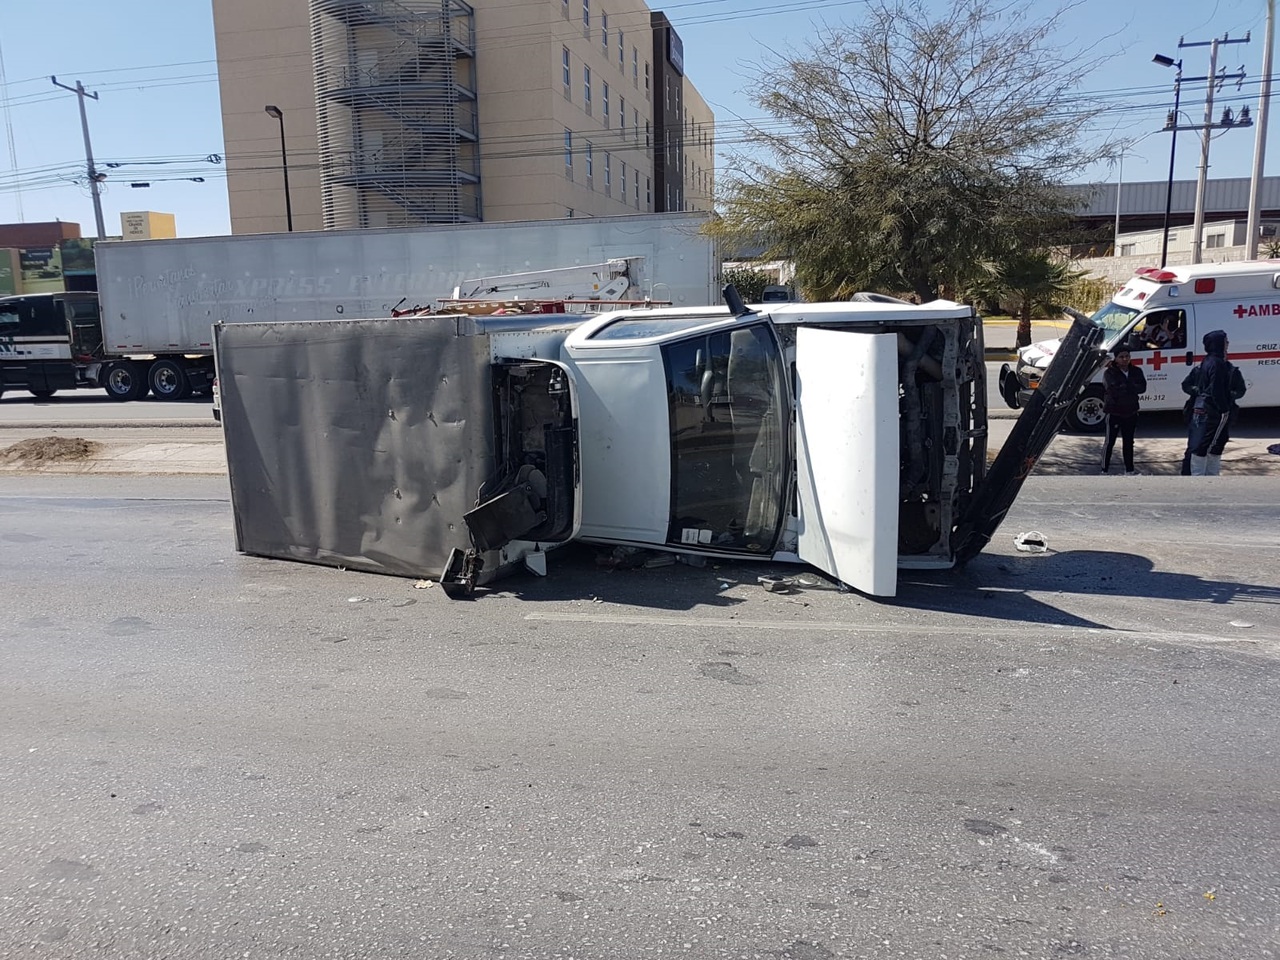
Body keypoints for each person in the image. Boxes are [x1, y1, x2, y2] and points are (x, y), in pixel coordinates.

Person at [1184, 329, 1247, 476]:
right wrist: (1224, 409)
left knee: (1211, 442)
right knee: (1210, 443)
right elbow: (1215, 389)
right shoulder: (1217, 363)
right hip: (1212, 410)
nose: (1227, 344)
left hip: (1206, 408)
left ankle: (1207, 475)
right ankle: (1202, 476)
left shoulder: (1209, 361)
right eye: (1225, 342)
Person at [1100, 344, 1146, 475]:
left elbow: (1142, 387)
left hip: (1131, 412)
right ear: (1116, 359)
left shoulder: (1136, 371)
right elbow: (1113, 390)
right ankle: (1104, 470)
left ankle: (1129, 470)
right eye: (1121, 357)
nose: (1125, 359)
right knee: (1109, 442)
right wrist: (1129, 387)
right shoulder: (1109, 373)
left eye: (1127, 356)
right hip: (1114, 412)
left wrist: (1126, 386)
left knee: (1128, 442)